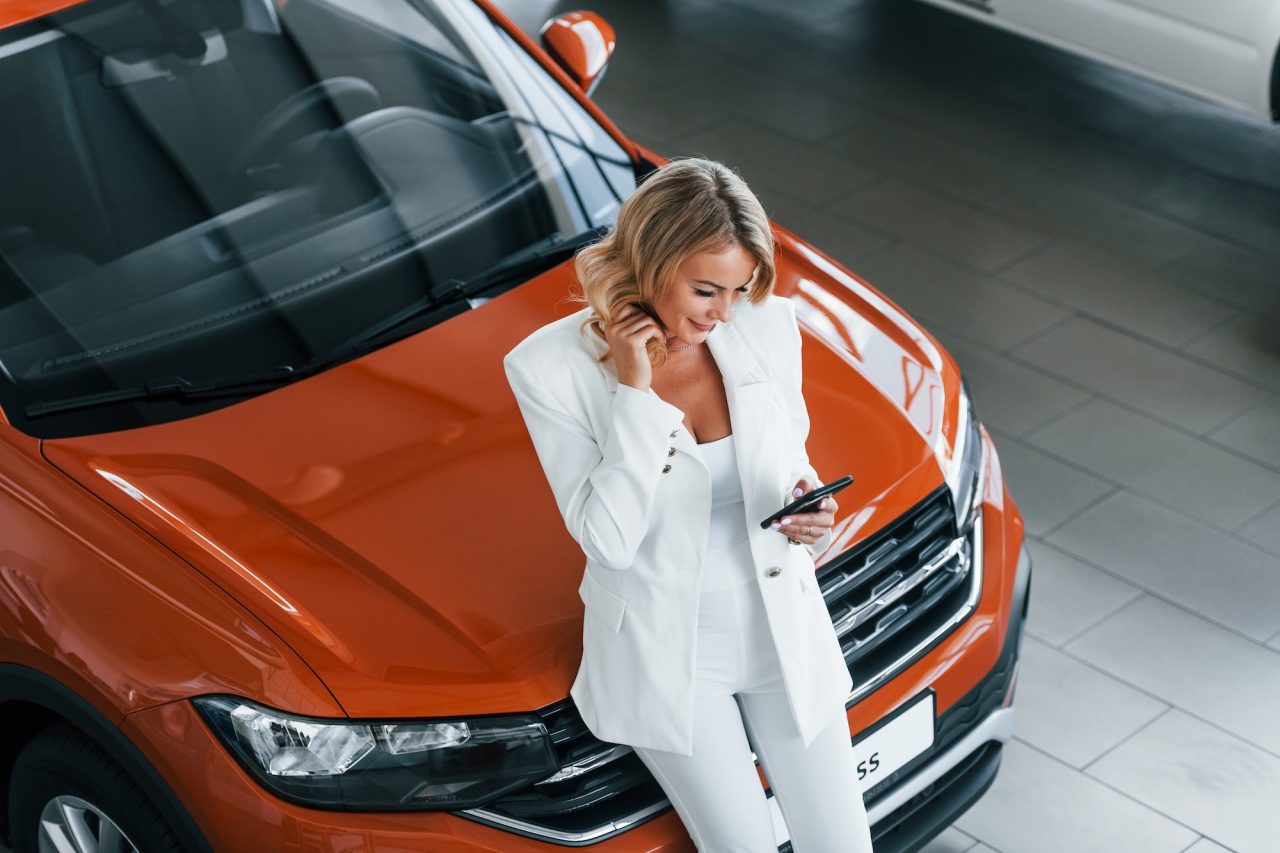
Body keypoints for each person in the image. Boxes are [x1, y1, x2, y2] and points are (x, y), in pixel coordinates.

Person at [502, 157, 874, 851]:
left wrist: (809, 515)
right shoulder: (548, 368)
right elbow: (607, 539)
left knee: (844, 844)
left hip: (780, 630)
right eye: (707, 290)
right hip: (670, 657)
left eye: (737, 290)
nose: (724, 313)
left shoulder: (767, 327)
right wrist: (635, 397)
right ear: (653, 260)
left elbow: (790, 463)